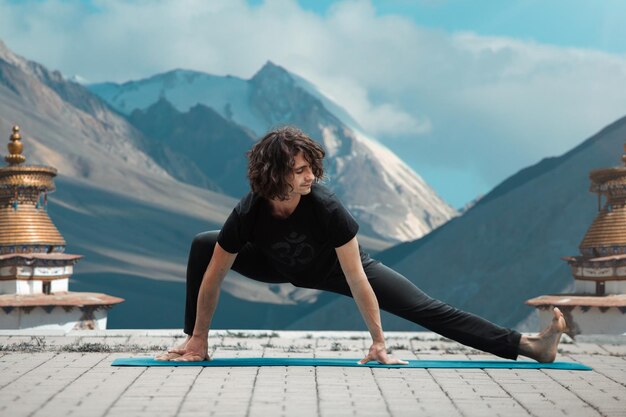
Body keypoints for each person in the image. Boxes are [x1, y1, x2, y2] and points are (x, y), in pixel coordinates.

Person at [157, 126, 567, 364]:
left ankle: (530, 346)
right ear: (275, 175)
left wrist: (378, 341)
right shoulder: (249, 211)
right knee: (203, 245)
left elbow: (356, 277)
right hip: (273, 263)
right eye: (299, 171)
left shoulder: (325, 205)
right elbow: (213, 277)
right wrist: (201, 338)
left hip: (334, 268)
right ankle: (192, 342)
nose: (309, 177)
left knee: (425, 308)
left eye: (310, 168)